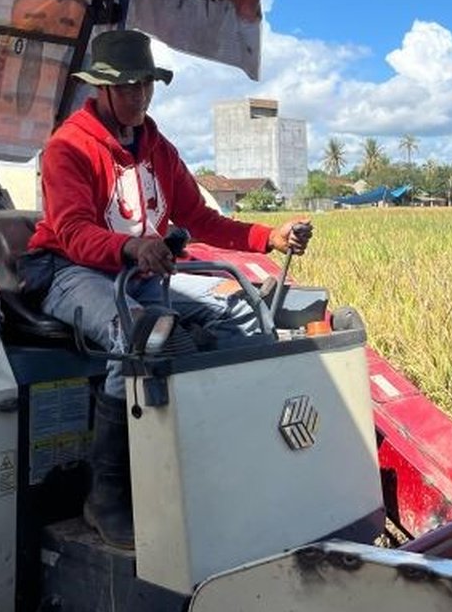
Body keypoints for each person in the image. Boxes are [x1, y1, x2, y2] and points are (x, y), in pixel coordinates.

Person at [21, 29, 311, 549]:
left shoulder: (155, 146)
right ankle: (106, 496)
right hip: (66, 270)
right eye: (129, 87)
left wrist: (269, 236)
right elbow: (72, 231)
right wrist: (131, 249)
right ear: (103, 89)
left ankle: (221, 460)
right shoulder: (69, 147)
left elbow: (197, 217)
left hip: (136, 271)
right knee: (136, 335)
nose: (139, 97)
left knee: (240, 315)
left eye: (147, 86)